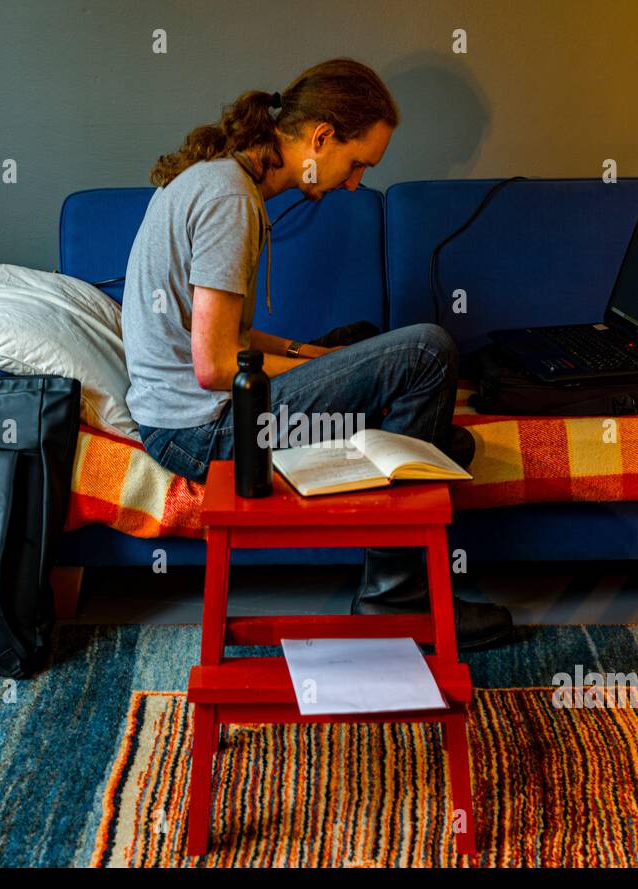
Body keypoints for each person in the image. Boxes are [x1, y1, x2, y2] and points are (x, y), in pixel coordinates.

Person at [121, 58, 512, 650]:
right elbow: (216, 367)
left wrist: (313, 354)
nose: (355, 183)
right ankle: (394, 594)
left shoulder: (220, 179)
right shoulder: (229, 199)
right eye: (356, 164)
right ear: (321, 136)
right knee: (428, 351)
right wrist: (318, 371)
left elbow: (225, 337)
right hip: (206, 431)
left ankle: (397, 510)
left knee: (395, 387)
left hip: (186, 417)